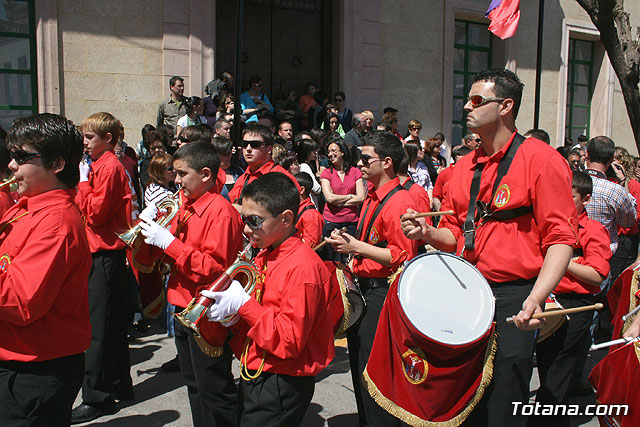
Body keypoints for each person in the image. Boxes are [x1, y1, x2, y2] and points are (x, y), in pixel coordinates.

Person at [401, 68, 578, 427]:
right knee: (461, 394)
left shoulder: (542, 160)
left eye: (477, 100)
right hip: (466, 293)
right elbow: (455, 234)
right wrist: (427, 233)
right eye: (467, 99)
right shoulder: (462, 167)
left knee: (505, 397)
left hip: (515, 295)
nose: (466, 106)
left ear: (505, 106)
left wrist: (536, 297)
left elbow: (561, 240)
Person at [204, 172, 336, 426]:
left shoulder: (302, 268)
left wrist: (244, 305)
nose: (246, 228)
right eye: (244, 219)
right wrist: (234, 319)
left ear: (286, 219)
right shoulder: (267, 253)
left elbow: (289, 341)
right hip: (259, 368)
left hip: (281, 379)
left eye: (255, 221)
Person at [138, 141, 243, 427]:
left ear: (206, 174)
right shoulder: (185, 204)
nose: (177, 180)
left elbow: (214, 269)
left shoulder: (219, 211)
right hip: (182, 304)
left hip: (207, 311)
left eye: (183, 174)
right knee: (194, 384)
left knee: (214, 388)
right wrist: (149, 228)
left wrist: (170, 244)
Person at [0, 114, 90, 426]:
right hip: (20, 360)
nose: (12, 165)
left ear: (57, 164)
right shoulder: (28, 206)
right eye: (12, 155)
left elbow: (21, 302)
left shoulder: (55, 223)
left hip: (34, 370)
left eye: (21, 157)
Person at [327, 131, 418, 427]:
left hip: (382, 295)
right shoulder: (373, 196)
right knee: (359, 367)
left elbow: (400, 255)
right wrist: (352, 242)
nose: (360, 164)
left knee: (375, 371)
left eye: (366, 159)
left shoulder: (400, 200)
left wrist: (356, 247)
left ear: (387, 162)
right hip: (366, 290)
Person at [531, 171, 611, 427]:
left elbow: (597, 275)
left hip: (576, 305)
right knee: (545, 364)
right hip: (546, 300)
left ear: (585, 199)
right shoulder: (547, 223)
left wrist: (561, 261)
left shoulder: (593, 230)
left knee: (559, 369)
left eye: (571, 197)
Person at [72, 112, 133, 424]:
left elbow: (94, 214)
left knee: (98, 329)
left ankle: (97, 396)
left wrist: (82, 182)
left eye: (89, 138)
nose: (84, 143)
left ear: (107, 139)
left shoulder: (108, 167)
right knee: (110, 326)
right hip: (103, 253)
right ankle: (121, 383)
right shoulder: (104, 164)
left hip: (104, 253)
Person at [584, 136, 636, 255]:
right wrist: (623, 182)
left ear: (587, 154)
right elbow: (628, 221)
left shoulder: (569, 182)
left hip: (570, 253)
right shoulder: (614, 190)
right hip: (602, 253)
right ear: (611, 159)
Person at [228, 123, 300, 210]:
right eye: (245, 144)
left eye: (255, 144)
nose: (248, 149)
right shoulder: (242, 178)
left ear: (269, 149)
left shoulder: (282, 178)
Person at [320, 139, 365, 262]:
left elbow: (361, 197)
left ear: (343, 152)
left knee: (348, 259)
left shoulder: (355, 171)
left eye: (334, 150)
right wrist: (350, 197)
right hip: (331, 222)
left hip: (351, 221)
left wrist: (337, 201)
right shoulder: (326, 173)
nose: (330, 154)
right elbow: (329, 198)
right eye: (328, 152)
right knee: (330, 259)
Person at [432, 145, 472, 212]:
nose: (461, 165)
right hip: (448, 214)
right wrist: (441, 213)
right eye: (459, 163)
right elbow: (436, 196)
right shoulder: (445, 173)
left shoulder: (475, 173)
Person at [294, 171, 324, 248]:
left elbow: (311, 244)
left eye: (292, 187)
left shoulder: (311, 215)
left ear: (302, 190)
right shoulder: (296, 208)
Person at [212, 136, 244, 201]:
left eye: (230, 153)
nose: (229, 156)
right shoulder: (210, 175)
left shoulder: (238, 171)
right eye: (225, 153)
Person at [295, 136, 322, 206]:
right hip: (311, 203)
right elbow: (317, 189)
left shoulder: (308, 165)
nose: (316, 153)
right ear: (306, 151)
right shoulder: (305, 167)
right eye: (313, 150)